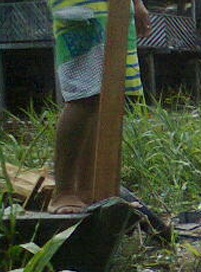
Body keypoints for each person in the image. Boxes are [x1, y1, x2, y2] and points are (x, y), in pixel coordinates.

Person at [47, 0, 150, 213]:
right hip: (84, 8)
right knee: (83, 96)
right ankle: (64, 191)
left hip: (116, 8)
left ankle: (87, 191)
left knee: (105, 98)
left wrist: (137, 3)